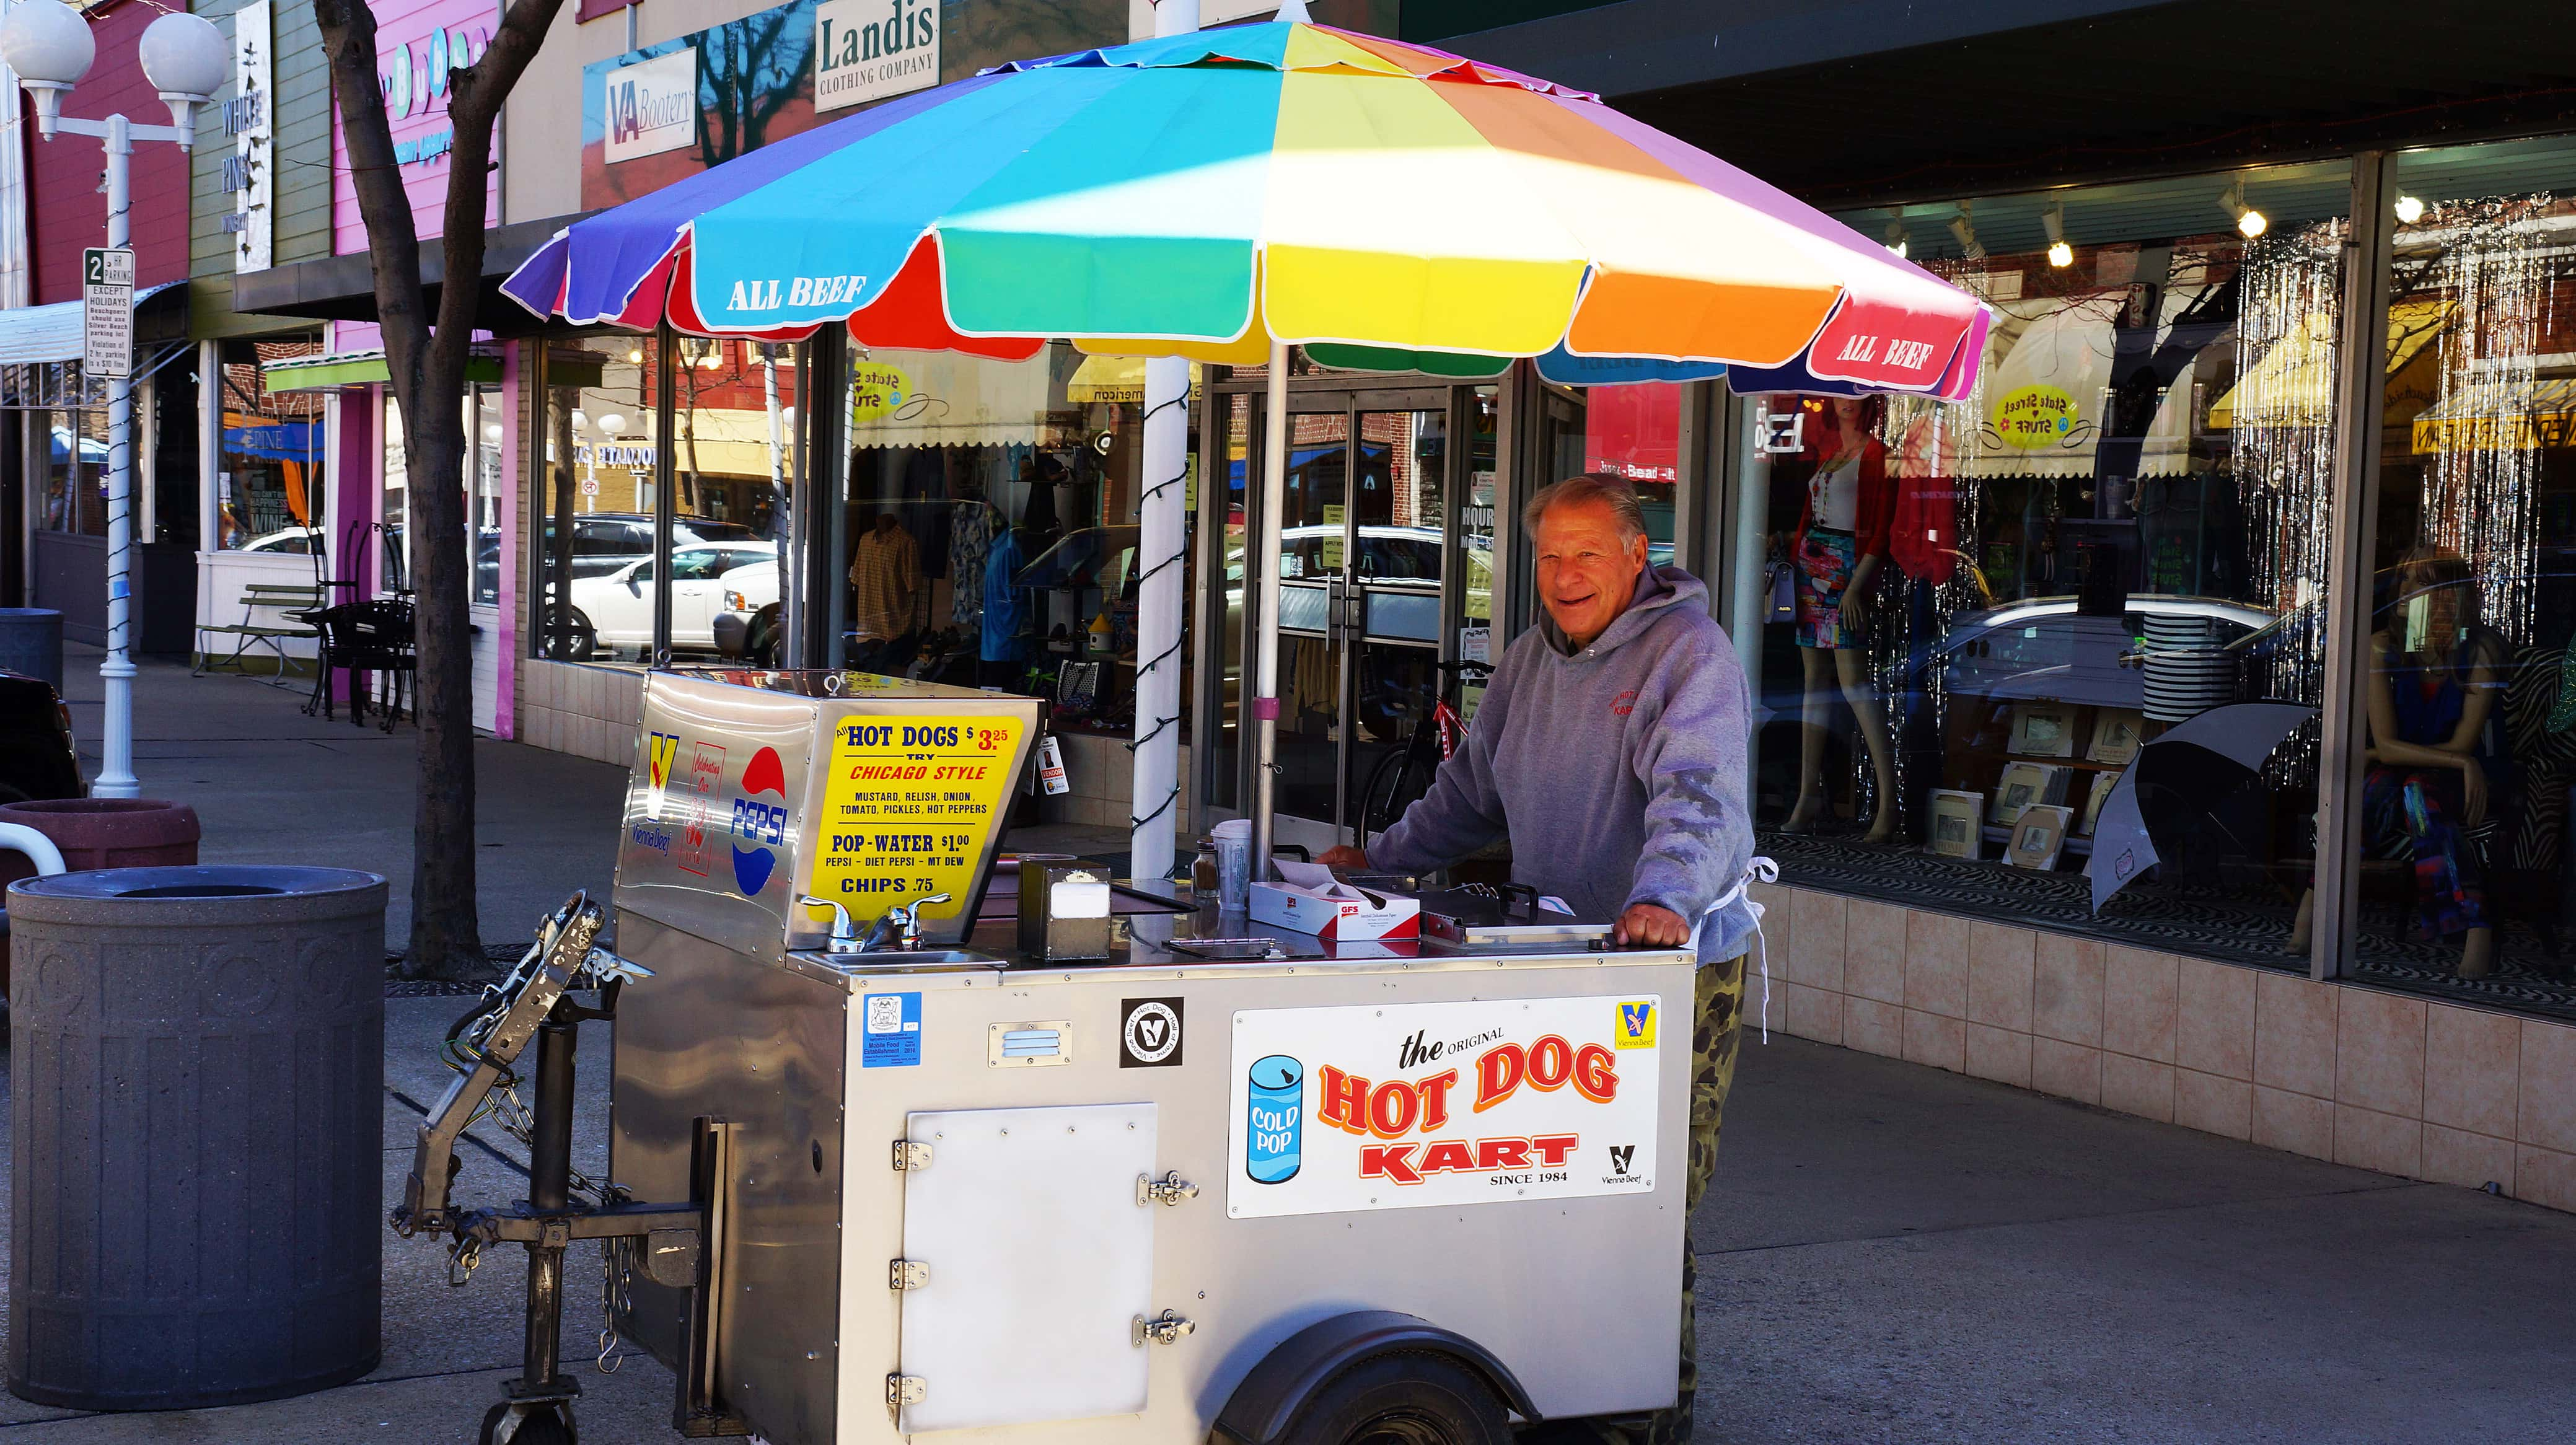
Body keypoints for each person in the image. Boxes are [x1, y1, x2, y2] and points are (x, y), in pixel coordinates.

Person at [1319, 472, 1757, 1445]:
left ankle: (1641, 1416)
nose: (1564, 574)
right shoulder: (1524, 660)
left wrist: (1662, 898)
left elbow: (1700, 795)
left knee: (1643, 1204)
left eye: (1586, 553)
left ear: (1636, 557)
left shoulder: (1692, 653)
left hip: (1663, 967)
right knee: (1538, 1190)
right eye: (1549, 555)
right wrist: (1378, 865)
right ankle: (1559, 1392)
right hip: (1555, 964)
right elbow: (1468, 794)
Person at [1782, 394, 1900, 841]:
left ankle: (1889, 803)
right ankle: (1807, 794)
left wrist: (1856, 585)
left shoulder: (1876, 456)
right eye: (1839, 392)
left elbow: (1882, 527)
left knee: (1853, 684)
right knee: (1814, 681)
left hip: (1848, 568)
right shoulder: (1832, 454)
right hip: (1813, 566)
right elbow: (1810, 515)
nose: (1846, 401)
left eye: (1856, 393)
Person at [847, 511, 921, 675]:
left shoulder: (906, 543)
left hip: (893, 631)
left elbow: (913, 586)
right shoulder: (866, 540)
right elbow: (856, 577)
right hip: (867, 630)